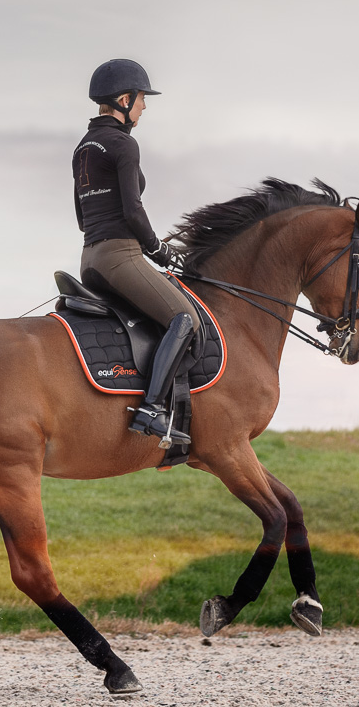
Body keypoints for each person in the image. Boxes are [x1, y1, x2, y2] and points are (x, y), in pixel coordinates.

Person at [73, 58, 202, 446]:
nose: (144, 108)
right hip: (119, 256)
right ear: (125, 99)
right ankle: (152, 410)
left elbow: (82, 215)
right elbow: (132, 210)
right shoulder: (124, 144)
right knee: (184, 318)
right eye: (143, 99)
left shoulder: (84, 147)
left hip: (90, 258)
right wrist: (157, 248)